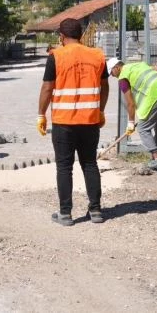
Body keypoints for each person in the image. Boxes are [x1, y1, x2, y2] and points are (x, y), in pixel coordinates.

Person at [37, 18, 109, 226]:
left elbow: (47, 88)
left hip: (64, 122)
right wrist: (100, 111)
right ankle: (95, 211)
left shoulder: (56, 56)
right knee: (89, 163)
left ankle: (65, 214)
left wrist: (41, 114)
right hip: (90, 121)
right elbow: (104, 88)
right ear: (80, 35)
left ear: (61, 36)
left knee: (64, 167)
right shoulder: (97, 56)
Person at [106, 58, 157, 172]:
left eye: (112, 73)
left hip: (156, 96)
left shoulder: (123, 78)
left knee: (143, 128)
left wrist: (131, 123)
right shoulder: (137, 65)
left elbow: (130, 103)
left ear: (117, 67)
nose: (112, 76)